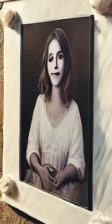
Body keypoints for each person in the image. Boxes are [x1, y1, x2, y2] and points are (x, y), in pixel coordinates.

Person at [24, 27, 86, 204]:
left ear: (67, 61)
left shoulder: (73, 110)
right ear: (46, 64)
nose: (56, 65)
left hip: (65, 191)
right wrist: (40, 169)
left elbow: (78, 159)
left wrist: (63, 174)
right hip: (38, 183)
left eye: (60, 56)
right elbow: (32, 146)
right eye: (51, 59)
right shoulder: (39, 102)